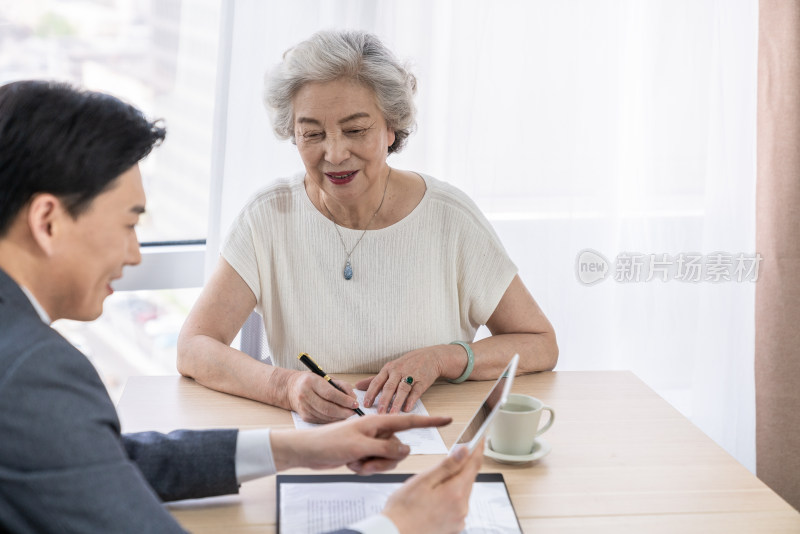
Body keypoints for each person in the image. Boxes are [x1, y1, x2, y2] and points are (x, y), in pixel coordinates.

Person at [0, 80, 484, 534]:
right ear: (47, 221)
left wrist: (299, 447)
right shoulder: (34, 372)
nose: (134, 255)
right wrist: (397, 525)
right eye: (128, 225)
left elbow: (103, 460)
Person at [177, 30, 559, 423]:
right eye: (312, 133)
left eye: (356, 130)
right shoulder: (268, 216)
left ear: (391, 128)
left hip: (431, 438)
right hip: (317, 444)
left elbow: (540, 343)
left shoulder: (449, 217)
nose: (335, 153)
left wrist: (444, 357)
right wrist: (285, 386)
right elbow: (194, 346)